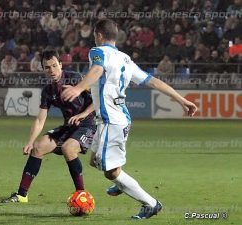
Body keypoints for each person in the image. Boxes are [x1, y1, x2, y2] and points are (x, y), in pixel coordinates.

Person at [62, 19, 197, 219]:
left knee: (111, 171)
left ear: (99, 35)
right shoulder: (125, 59)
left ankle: (151, 204)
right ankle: (121, 182)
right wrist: (181, 99)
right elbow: (153, 81)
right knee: (94, 160)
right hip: (117, 118)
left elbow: (97, 70)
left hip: (112, 120)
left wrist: (78, 88)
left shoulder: (97, 52)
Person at [0, 50, 96, 203]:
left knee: (68, 148)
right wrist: (30, 142)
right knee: (38, 148)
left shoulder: (75, 78)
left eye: (54, 66)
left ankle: (82, 196)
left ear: (60, 64)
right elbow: (40, 120)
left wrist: (83, 114)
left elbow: (99, 99)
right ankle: (21, 195)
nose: (51, 70)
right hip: (69, 126)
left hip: (88, 124)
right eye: (47, 67)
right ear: (43, 69)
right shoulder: (48, 91)